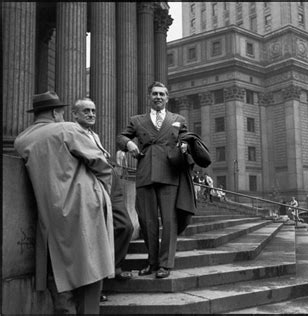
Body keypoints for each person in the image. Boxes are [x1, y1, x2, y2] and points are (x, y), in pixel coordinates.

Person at [14, 91, 114, 313]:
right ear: (54, 112)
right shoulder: (67, 128)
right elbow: (100, 163)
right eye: (60, 111)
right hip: (86, 204)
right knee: (92, 268)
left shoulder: (21, 140)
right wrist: (104, 191)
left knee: (59, 271)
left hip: (49, 212)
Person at [117, 81, 195, 279]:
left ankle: (165, 265)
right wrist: (128, 144)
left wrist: (185, 146)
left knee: (169, 221)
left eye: (162, 94)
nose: (158, 97)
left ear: (167, 98)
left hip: (170, 174)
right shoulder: (137, 120)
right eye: (154, 94)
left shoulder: (178, 119)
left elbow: (187, 138)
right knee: (147, 221)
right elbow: (121, 137)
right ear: (149, 97)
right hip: (145, 173)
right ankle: (152, 263)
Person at [72, 98, 134, 284]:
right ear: (75, 114)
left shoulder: (94, 135)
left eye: (93, 111)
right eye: (86, 111)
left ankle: (113, 266)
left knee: (125, 226)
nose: (91, 114)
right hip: (92, 186)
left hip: (110, 183)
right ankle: (98, 280)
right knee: (95, 234)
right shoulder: (72, 133)